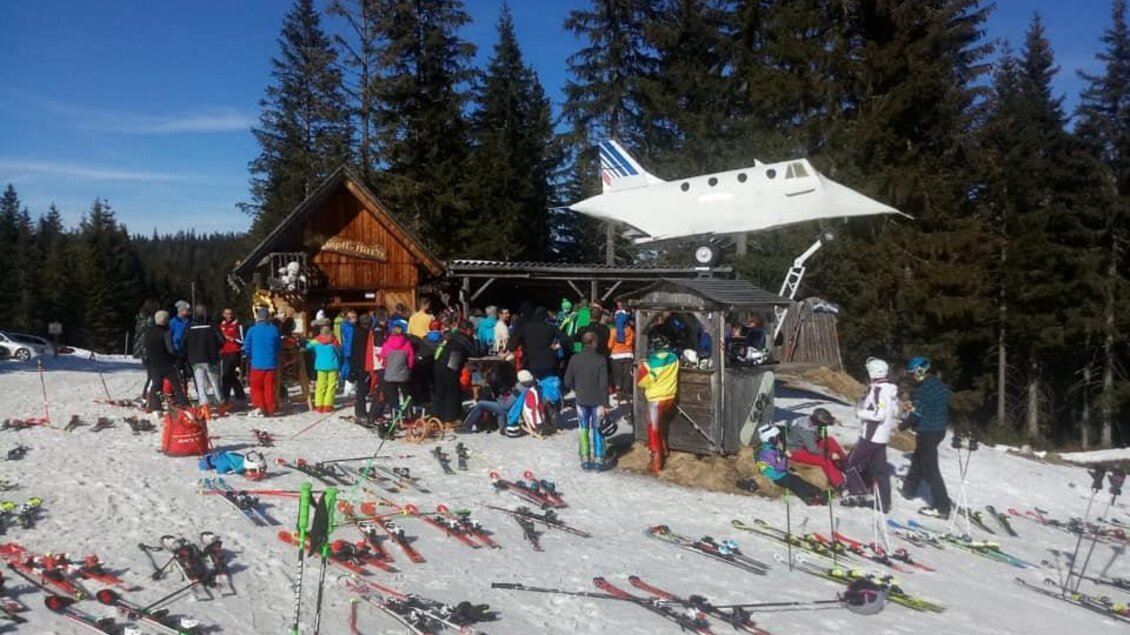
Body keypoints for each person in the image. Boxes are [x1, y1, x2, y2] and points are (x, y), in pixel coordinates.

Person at [842, 357, 899, 512]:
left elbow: (879, 415)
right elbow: (895, 411)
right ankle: (884, 503)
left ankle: (857, 493)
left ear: (873, 373)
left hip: (871, 436)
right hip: (883, 436)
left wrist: (861, 413)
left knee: (849, 462)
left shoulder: (879, 390)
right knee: (879, 470)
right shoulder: (891, 390)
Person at [900, 356, 952, 519]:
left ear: (921, 371)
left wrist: (903, 425)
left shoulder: (923, 389)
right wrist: (915, 407)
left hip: (927, 431)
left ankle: (942, 506)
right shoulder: (940, 385)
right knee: (917, 458)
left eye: (914, 374)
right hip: (939, 430)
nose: (913, 377)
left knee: (931, 470)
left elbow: (917, 414)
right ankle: (909, 490)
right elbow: (929, 406)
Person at [564, 331, 610, 471]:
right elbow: (603, 385)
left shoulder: (574, 359)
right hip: (597, 400)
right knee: (598, 428)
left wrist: (577, 388)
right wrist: (605, 404)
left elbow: (566, 381)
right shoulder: (600, 360)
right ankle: (598, 458)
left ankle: (585, 458)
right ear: (595, 343)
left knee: (583, 428)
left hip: (581, 398)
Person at [637, 334, 679, 474]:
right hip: (670, 397)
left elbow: (643, 382)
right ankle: (664, 450)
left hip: (656, 399)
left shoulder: (651, 363)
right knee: (661, 424)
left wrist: (642, 367)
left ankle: (656, 463)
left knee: (653, 428)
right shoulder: (674, 358)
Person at [756, 423, 826, 504]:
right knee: (794, 483)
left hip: (781, 474)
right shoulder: (767, 452)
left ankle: (817, 492)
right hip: (777, 476)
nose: (778, 440)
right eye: (776, 438)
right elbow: (769, 467)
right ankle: (808, 497)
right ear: (770, 439)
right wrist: (783, 458)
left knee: (798, 479)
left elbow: (778, 463)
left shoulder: (772, 449)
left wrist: (784, 461)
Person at [785, 407, 845, 490]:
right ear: (819, 422)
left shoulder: (812, 421)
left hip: (809, 444)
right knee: (824, 460)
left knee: (830, 440)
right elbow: (813, 450)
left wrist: (832, 421)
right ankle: (839, 484)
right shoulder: (806, 430)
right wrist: (830, 455)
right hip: (797, 451)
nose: (825, 425)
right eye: (825, 423)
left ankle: (845, 464)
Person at [143, 310, 189, 412]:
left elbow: (145, 345)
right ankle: (183, 403)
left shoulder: (148, 331)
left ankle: (154, 405)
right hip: (166, 363)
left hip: (153, 363)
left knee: (156, 385)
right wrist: (177, 355)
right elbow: (170, 349)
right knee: (176, 384)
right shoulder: (165, 332)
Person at [507, 306, 569, 379]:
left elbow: (511, 345)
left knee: (534, 388)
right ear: (545, 316)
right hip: (549, 363)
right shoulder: (550, 327)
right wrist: (557, 346)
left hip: (532, 364)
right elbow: (565, 339)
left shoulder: (526, 328)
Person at [434, 320, 476, 423]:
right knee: (452, 391)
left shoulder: (454, 336)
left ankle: (438, 417)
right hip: (451, 365)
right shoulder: (464, 338)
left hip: (438, 364)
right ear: (468, 330)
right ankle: (450, 418)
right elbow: (474, 353)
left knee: (440, 391)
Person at [243, 307, 282, 417]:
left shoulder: (252, 330)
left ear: (258, 317)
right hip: (271, 363)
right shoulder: (274, 329)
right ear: (268, 317)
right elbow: (278, 345)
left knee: (256, 386)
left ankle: (259, 406)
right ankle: (270, 408)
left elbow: (247, 346)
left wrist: (251, 356)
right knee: (269, 386)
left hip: (257, 362)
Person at [462, 361, 518, 433]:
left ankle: (467, 427)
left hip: (506, 409)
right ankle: (501, 427)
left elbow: (506, 406)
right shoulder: (520, 387)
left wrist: (498, 398)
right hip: (507, 408)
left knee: (481, 404)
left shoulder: (518, 389)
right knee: (488, 398)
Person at [184, 305, 223, 409]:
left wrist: (188, 352)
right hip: (210, 357)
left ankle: (203, 404)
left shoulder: (190, 325)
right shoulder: (212, 325)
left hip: (195, 358)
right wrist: (216, 348)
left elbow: (184, 341)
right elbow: (221, 340)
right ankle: (220, 402)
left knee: (200, 382)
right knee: (214, 382)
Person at [379, 319, 414, 416]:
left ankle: (395, 416)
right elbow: (410, 360)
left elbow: (382, 359)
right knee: (406, 395)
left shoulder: (386, 345)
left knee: (393, 398)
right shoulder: (407, 344)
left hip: (390, 374)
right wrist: (408, 368)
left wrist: (387, 366)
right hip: (403, 374)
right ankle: (408, 413)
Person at [305, 322, 341, 413]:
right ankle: (327, 405)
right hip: (332, 365)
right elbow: (339, 352)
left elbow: (307, 346)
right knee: (331, 385)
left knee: (320, 385)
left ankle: (319, 405)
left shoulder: (316, 340)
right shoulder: (334, 340)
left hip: (320, 366)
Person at [218, 308, 246, 405]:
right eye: (226, 314)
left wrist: (232, 339)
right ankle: (239, 394)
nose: (229, 316)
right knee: (229, 374)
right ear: (223, 315)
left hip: (234, 352)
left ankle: (226, 395)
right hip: (225, 352)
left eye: (230, 314)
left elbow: (242, 340)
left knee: (228, 373)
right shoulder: (221, 325)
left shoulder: (237, 325)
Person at [349, 312, 373, 421]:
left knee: (363, 388)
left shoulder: (358, 332)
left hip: (359, 363)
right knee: (362, 389)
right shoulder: (364, 334)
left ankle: (360, 410)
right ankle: (360, 411)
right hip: (362, 364)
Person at [609, 308, 635, 403]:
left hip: (616, 356)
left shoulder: (613, 331)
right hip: (628, 355)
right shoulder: (630, 330)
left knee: (617, 375)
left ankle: (619, 395)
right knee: (626, 375)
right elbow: (631, 342)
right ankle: (626, 394)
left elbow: (609, 345)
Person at [339, 310, 356, 394]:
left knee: (346, 366)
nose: (356, 320)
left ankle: (346, 386)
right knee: (350, 368)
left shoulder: (344, 326)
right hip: (350, 350)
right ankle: (349, 387)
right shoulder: (351, 329)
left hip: (345, 349)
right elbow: (350, 341)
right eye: (354, 318)